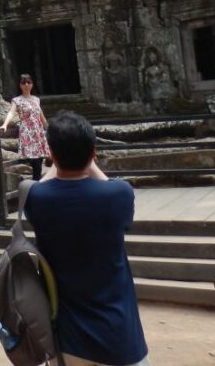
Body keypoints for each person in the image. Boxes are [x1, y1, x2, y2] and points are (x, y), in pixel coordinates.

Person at [25, 111, 149, 366]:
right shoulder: (119, 195)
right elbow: (106, 183)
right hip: (119, 334)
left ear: (51, 154)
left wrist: (57, 163)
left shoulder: (36, 200)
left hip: (68, 338)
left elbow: (40, 185)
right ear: (93, 152)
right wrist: (89, 161)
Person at [0, 73, 49, 180]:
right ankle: (36, 184)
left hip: (38, 132)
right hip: (27, 132)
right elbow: (11, 113)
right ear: (20, 85)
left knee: (39, 161)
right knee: (34, 161)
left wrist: (49, 129)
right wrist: (5, 124)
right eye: (23, 83)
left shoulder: (36, 99)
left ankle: (36, 183)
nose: (26, 85)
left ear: (32, 84)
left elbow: (41, 116)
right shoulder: (17, 100)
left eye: (28, 82)